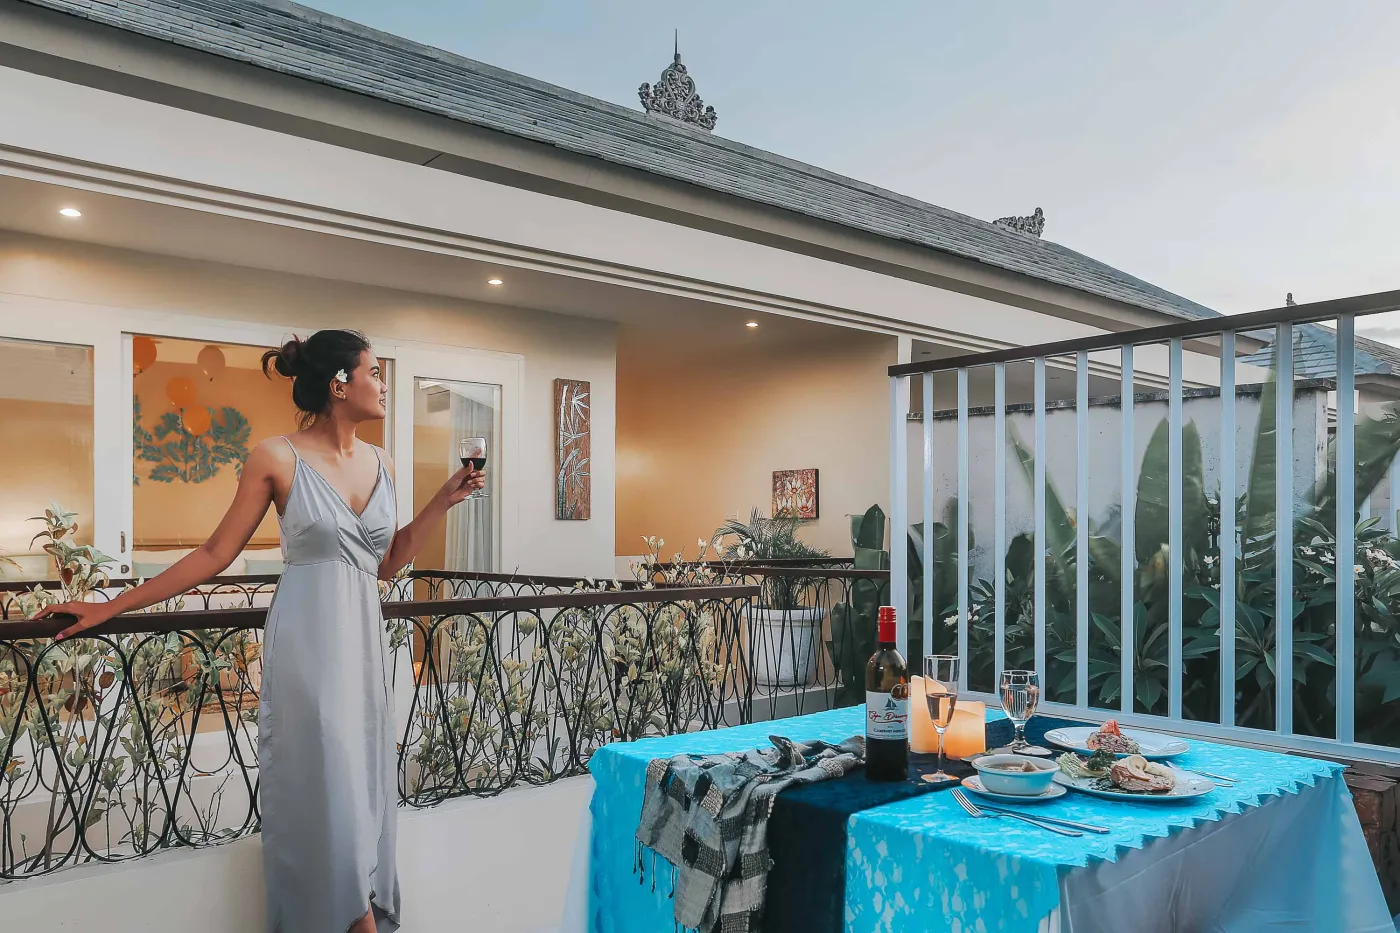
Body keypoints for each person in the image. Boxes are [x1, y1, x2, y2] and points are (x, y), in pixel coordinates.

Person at [38, 329, 484, 933]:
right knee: (323, 785)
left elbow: (383, 563)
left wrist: (442, 502)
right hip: (308, 645)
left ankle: (357, 914)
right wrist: (110, 606)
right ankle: (350, 919)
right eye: (375, 372)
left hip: (364, 646)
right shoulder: (276, 457)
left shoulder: (381, 461)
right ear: (340, 383)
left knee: (362, 784)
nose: (383, 384)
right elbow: (215, 552)